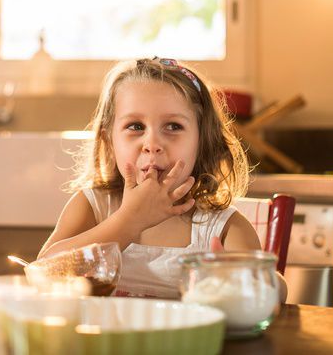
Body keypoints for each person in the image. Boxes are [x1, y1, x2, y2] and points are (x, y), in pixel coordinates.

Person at [38, 57, 287, 300]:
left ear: (203, 142)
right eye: (135, 126)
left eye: (173, 126)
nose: (153, 144)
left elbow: (272, 293)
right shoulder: (94, 207)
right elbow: (43, 275)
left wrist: (237, 282)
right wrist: (130, 220)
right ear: (109, 141)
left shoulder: (225, 228)